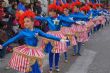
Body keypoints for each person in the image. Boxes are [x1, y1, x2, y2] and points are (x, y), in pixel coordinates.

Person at [0, 10, 67, 73]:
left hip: (34, 51)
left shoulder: (37, 31)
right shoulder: (23, 32)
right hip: (27, 52)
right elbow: (13, 39)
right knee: (30, 69)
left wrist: (59, 39)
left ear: (32, 22)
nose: (25, 23)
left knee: (35, 68)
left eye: (27, 21)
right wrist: (3, 45)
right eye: (24, 22)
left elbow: (47, 35)